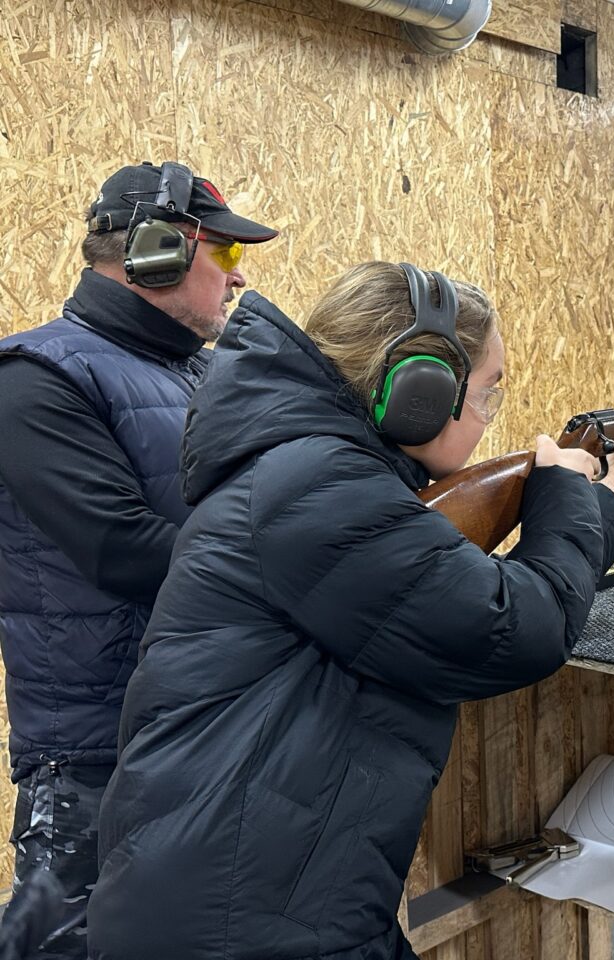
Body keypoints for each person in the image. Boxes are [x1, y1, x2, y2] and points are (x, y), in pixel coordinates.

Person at [88, 261, 614, 959]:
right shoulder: (319, 486)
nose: (490, 416)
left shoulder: (310, 470)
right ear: (419, 395)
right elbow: (515, 628)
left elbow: (439, 587)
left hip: (258, 893)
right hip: (238, 920)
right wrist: (565, 495)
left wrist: (602, 500)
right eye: (487, 394)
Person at [0, 161, 277, 958]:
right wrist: (297, 563)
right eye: (224, 253)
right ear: (157, 250)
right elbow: (122, 549)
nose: (239, 275)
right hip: (94, 760)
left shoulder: (205, 373)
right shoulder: (34, 379)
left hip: (207, 731)